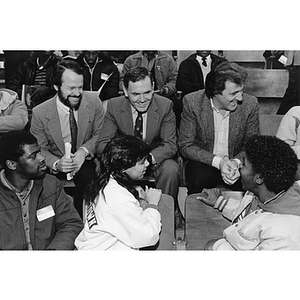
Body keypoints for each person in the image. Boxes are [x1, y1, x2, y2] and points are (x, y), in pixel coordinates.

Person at [96, 66, 181, 228]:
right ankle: (113, 215)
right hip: (125, 161)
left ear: (154, 87)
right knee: (100, 167)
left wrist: (145, 160)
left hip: (154, 157)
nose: (142, 99)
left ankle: (165, 213)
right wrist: (127, 162)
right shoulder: (114, 106)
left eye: (147, 92)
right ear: (125, 91)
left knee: (171, 169)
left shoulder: (165, 106)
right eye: (135, 94)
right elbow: (102, 145)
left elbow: (170, 144)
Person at [30, 59, 105, 217]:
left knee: (89, 180)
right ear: (57, 86)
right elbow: (40, 149)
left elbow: (101, 133)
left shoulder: (93, 101)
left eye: (80, 87)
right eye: (71, 88)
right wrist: (57, 164)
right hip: (54, 163)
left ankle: (83, 224)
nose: (77, 93)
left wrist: (83, 151)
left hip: (85, 161)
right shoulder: (40, 113)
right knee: (45, 189)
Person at [198, 135, 300, 250]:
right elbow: (247, 214)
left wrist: (217, 247)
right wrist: (221, 203)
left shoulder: (284, 233)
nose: (239, 168)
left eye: (244, 164)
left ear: (259, 178)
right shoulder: (261, 194)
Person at [178, 61, 260, 195]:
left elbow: (252, 145)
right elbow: (186, 145)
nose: (239, 98)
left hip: (237, 162)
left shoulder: (250, 104)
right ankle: (197, 214)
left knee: (252, 178)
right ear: (215, 92)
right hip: (205, 162)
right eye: (234, 93)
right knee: (199, 177)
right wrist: (220, 162)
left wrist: (235, 163)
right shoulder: (192, 102)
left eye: (241, 91)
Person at [75, 135, 165, 250]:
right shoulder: (119, 197)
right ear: (124, 167)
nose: (147, 164)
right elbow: (149, 236)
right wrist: (152, 205)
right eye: (142, 162)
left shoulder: (103, 183)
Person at [0, 130, 83, 250]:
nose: (42, 158)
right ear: (12, 164)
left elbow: (71, 224)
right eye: (33, 156)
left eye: (39, 152)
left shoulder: (51, 184)